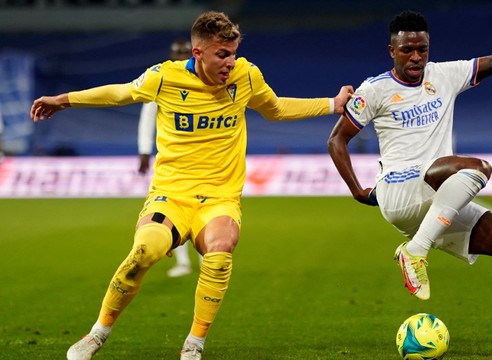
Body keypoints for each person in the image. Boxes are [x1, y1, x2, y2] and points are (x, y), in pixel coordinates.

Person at [31, 11, 353, 360]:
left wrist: (331, 104)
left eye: (232, 53)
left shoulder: (246, 75)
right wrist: (63, 100)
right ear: (197, 54)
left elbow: (275, 108)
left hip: (219, 197)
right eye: (222, 55)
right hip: (170, 195)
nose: (230, 62)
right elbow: (120, 93)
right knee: (145, 252)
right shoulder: (164, 77)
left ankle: (193, 345)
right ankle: (97, 334)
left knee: (221, 247)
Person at [327, 9, 492, 360]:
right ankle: (416, 250)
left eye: (422, 50)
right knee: (479, 168)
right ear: (391, 51)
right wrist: (357, 190)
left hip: (435, 201)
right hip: (400, 191)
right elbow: (336, 140)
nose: (416, 57)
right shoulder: (375, 89)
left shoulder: (444, 75)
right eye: (407, 50)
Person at [137, 38, 202, 278]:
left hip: (205, 161)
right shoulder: (163, 79)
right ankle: (183, 262)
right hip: (173, 162)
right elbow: (147, 117)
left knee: (204, 210)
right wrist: (144, 151)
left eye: (186, 51)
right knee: (175, 211)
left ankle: (208, 260)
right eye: (178, 52)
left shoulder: (208, 78)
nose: (182, 55)